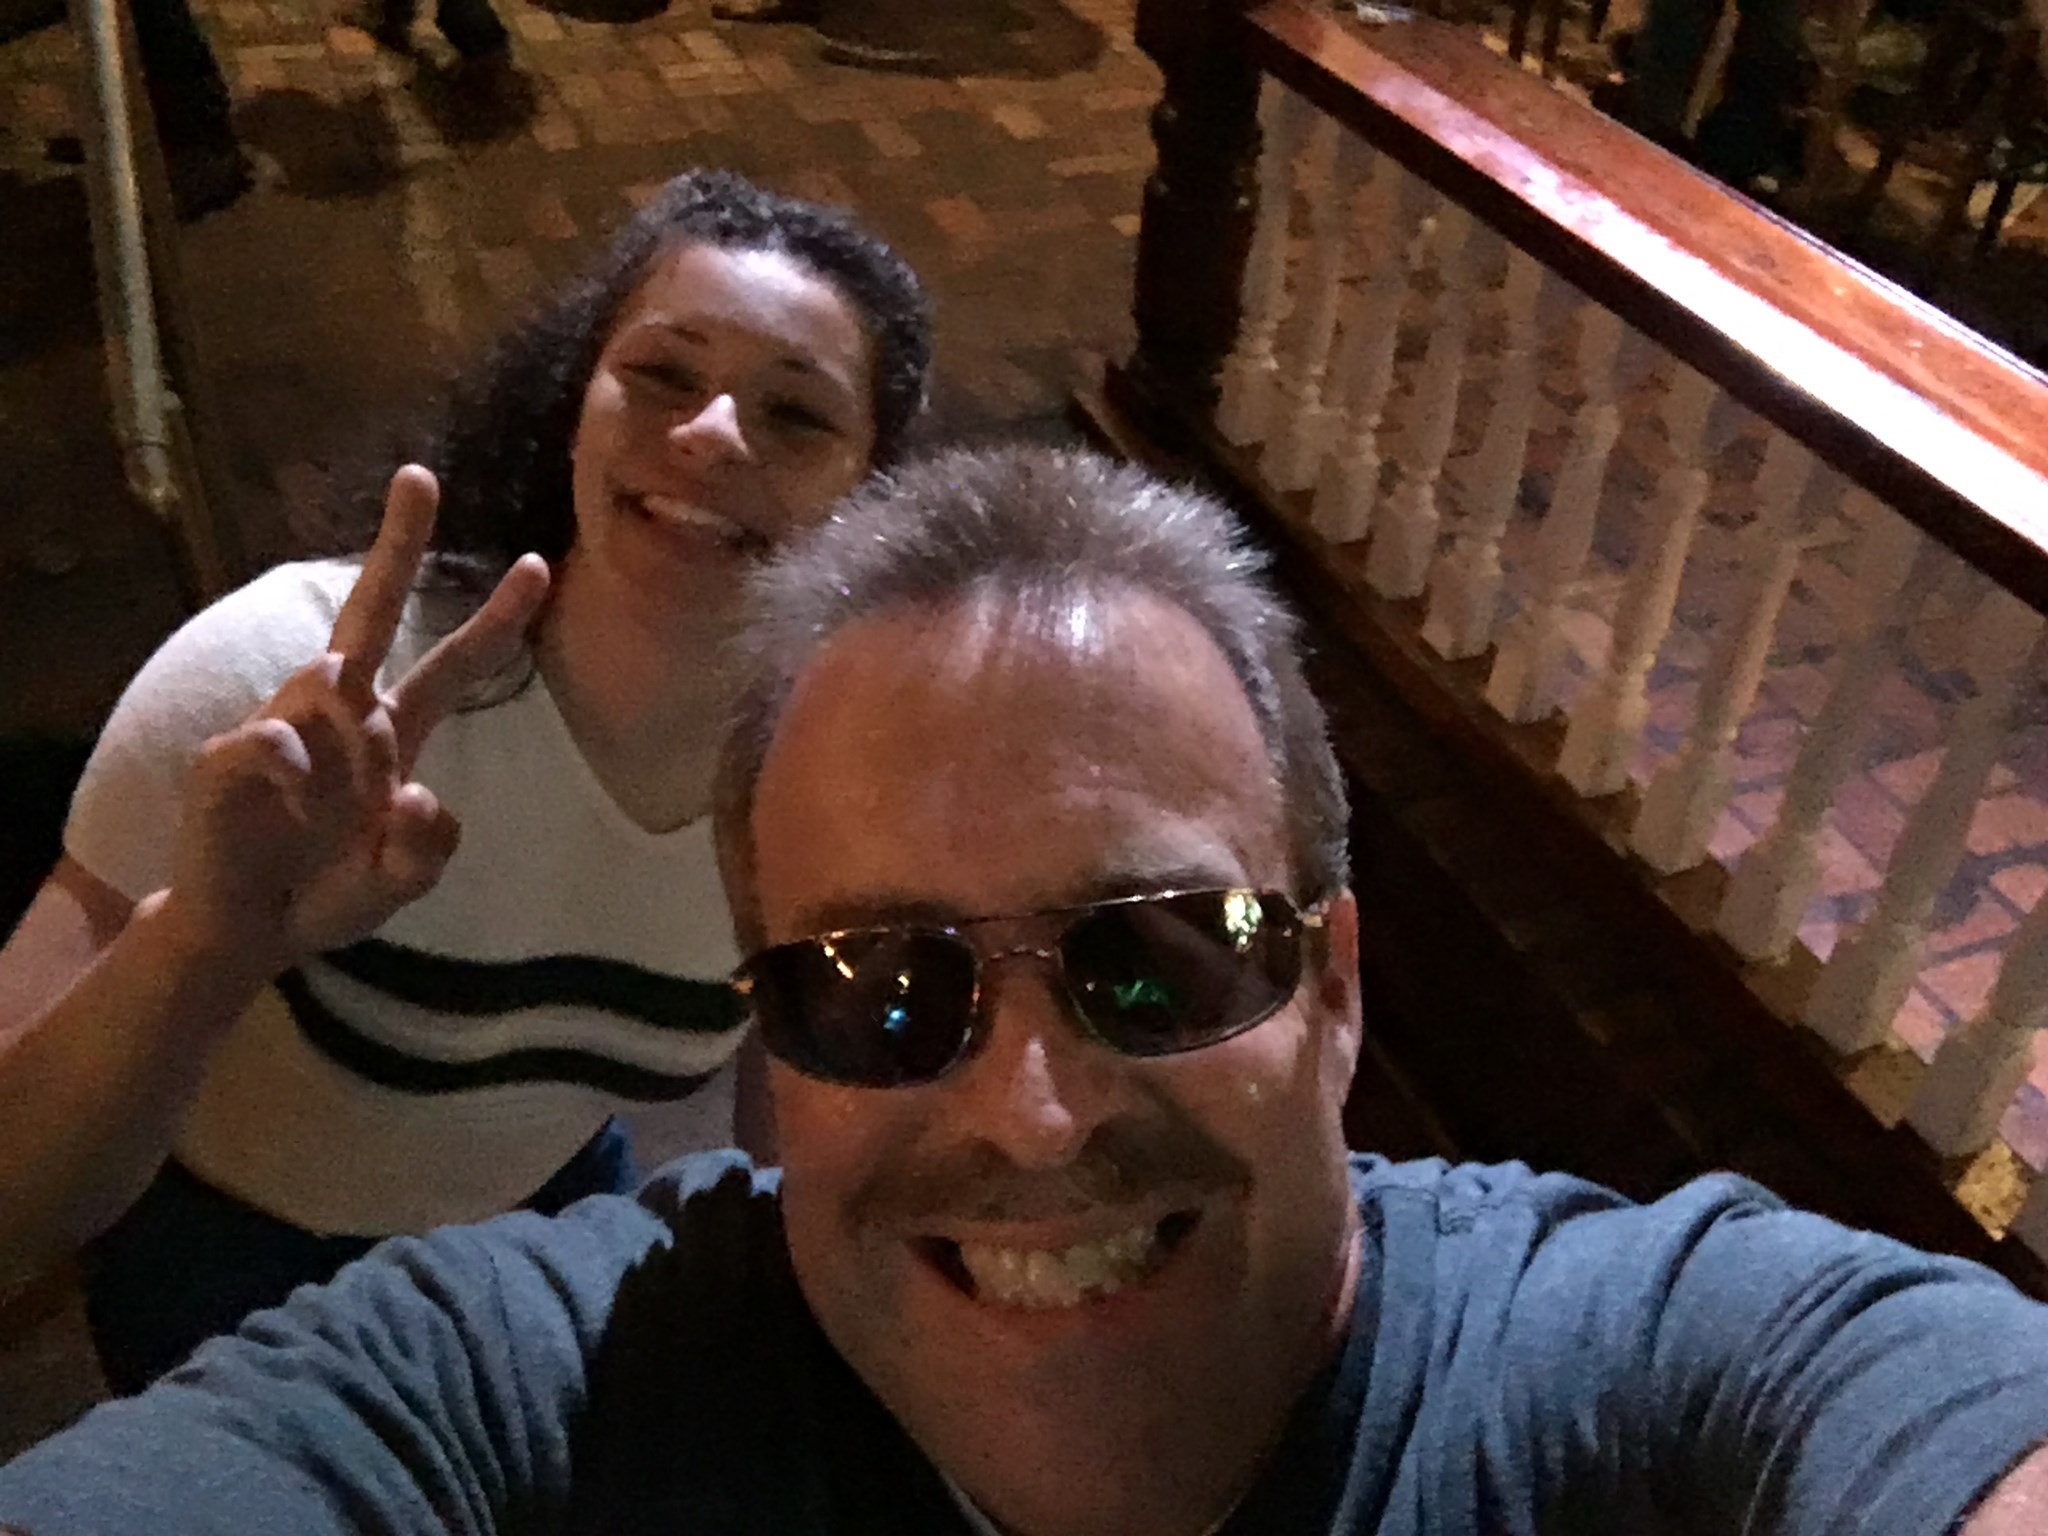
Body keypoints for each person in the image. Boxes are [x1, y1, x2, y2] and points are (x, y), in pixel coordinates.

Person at [5, 444, 2048, 1535]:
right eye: (877, 988)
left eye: (1154, 957)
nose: (1031, 1111)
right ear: (770, 1048)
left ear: (1334, 990)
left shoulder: (1639, 1367)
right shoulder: (546, 1383)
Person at [0, 166, 930, 1395]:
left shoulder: (820, 778)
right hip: (233, 1258)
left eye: (796, 415)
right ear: (574, 404)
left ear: (868, 495)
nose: (710, 433)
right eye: (662, 374)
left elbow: (785, 1086)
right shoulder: (287, 677)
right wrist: (208, 945)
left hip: (536, 1231)